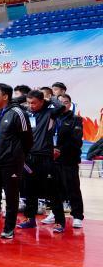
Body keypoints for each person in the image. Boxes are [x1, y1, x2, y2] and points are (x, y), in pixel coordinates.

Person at [0, 83, 32, 240]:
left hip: (11, 163)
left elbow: (27, 140)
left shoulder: (18, 113)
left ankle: (9, 228)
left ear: (5, 96)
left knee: (11, 196)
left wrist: (16, 156)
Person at [18, 90, 65, 232]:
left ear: (42, 102)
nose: (30, 105)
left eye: (34, 103)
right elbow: (13, 102)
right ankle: (30, 219)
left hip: (45, 157)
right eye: (28, 102)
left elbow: (61, 107)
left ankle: (59, 221)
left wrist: (50, 98)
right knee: (29, 189)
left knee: (52, 190)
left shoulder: (50, 113)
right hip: (28, 158)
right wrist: (27, 96)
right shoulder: (26, 113)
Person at [43, 93, 83, 229]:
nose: (63, 105)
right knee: (54, 189)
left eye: (66, 102)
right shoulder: (51, 117)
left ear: (70, 104)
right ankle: (55, 213)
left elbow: (76, 141)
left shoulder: (76, 119)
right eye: (60, 102)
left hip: (68, 159)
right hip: (52, 159)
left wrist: (59, 150)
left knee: (73, 188)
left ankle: (77, 216)